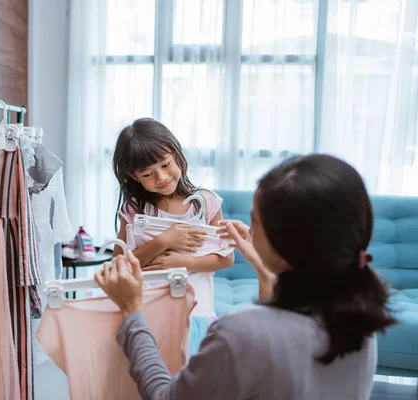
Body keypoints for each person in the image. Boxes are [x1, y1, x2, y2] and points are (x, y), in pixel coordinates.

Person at [95, 154, 396, 400]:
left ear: (284, 243)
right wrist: (263, 268)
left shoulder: (238, 331)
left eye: (254, 221)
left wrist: (132, 313)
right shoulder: (360, 318)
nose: (247, 231)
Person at [112, 117, 235, 355]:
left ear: (177, 154)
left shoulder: (206, 203)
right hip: (148, 313)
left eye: (165, 164)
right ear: (134, 176)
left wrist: (182, 263)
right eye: (147, 174)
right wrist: (163, 241)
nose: (161, 178)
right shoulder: (134, 209)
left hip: (196, 312)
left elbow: (226, 258)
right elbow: (119, 264)